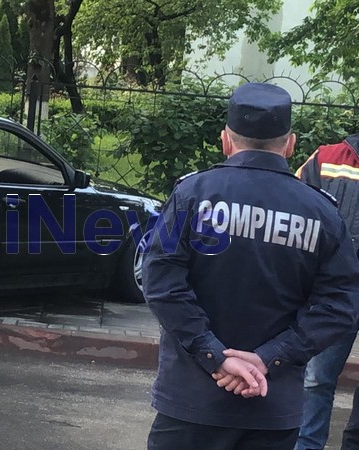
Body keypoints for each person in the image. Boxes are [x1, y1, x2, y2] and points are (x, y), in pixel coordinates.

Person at [142, 82, 359, 450]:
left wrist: (214, 355)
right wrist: (269, 358)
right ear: (290, 145)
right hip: (271, 406)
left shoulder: (192, 195)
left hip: (191, 402)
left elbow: (162, 285)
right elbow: (340, 304)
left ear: (225, 140)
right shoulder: (321, 212)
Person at [294, 133, 359, 449]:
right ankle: (306, 445)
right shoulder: (326, 158)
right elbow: (294, 211)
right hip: (333, 291)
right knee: (316, 378)